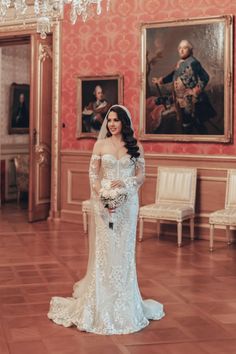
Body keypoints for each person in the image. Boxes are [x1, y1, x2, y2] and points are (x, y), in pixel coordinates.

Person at [48, 104, 165, 335]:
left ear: (124, 123)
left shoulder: (135, 146)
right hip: (104, 204)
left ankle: (124, 302)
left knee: (124, 251)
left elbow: (142, 175)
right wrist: (101, 194)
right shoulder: (100, 145)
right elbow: (93, 174)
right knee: (106, 251)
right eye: (109, 120)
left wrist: (127, 184)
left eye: (116, 120)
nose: (111, 124)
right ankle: (101, 301)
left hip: (128, 205)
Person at [152, 39, 216, 134]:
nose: (181, 50)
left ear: (190, 50)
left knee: (194, 124)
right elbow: (173, 75)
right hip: (180, 100)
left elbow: (205, 77)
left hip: (191, 101)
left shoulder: (194, 63)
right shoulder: (180, 63)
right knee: (187, 124)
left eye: (185, 48)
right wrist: (161, 80)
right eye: (180, 48)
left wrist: (195, 90)